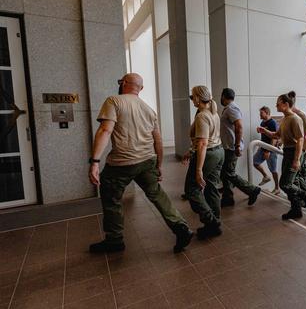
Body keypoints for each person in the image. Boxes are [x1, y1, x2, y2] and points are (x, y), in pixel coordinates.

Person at [88, 73, 193, 254]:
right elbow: (158, 140)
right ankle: (180, 227)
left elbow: (105, 130)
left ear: (123, 84)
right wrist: (159, 165)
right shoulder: (149, 109)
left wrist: (95, 161)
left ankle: (114, 240)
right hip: (147, 160)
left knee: (111, 198)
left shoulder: (114, 101)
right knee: (157, 195)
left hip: (121, 163)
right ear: (141, 88)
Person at [260, 93, 306, 219]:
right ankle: (296, 210)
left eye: (278, 103)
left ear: (286, 104)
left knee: (285, 184)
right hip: (287, 152)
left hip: (294, 153)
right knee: (288, 183)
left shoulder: (295, 118)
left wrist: (297, 160)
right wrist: (264, 131)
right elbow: (276, 135)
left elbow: (300, 139)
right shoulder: (284, 119)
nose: (276, 105)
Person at [182, 86, 224, 240]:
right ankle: (215, 223)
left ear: (199, 98)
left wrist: (199, 170)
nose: (191, 99)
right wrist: (190, 151)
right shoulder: (213, 113)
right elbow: (202, 141)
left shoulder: (202, 116)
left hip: (209, 154)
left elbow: (203, 143)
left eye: (192, 96)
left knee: (191, 189)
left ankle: (211, 222)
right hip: (218, 152)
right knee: (211, 188)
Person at [218, 88, 262, 207]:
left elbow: (239, 127)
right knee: (225, 172)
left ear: (223, 96)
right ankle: (228, 198)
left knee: (229, 172)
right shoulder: (228, 108)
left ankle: (252, 190)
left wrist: (237, 145)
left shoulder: (232, 108)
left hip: (232, 147)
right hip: (228, 147)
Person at [287, 92, 306, 201]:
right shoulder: (289, 116)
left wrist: (302, 151)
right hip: (295, 151)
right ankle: (303, 199)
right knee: (296, 177)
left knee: (299, 176)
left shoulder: (300, 115)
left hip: (301, 151)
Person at [254, 106, 279, 194]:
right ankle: (266, 176)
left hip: (270, 149)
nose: (260, 115)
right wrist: (260, 131)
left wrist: (269, 150)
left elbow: (275, 138)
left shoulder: (272, 123)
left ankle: (277, 188)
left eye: (261, 113)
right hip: (263, 147)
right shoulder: (262, 123)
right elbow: (264, 135)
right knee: (255, 162)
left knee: (273, 170)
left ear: (267, 113)